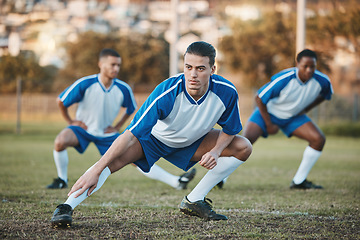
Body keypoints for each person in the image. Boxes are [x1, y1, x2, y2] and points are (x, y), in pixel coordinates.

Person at [50, 41, 252, 228]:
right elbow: (130, 135)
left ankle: (194, 200)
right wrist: (97, 168)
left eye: (200, 68)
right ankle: (67, 206)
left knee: (243, 147)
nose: (192, 75)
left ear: (212, 70)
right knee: (110, 163)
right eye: (188, 67)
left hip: (193, 142)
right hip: (153, 140)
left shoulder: (227, 92)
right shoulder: (167, 91)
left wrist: (216, 152)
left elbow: (231, 129)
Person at [46, 48, 197, 191]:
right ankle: (62, 180)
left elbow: (131, 109)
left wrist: (117, 126)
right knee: (60, 141)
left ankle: (176, 182)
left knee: (135, 158)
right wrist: (71, 122)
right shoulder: (85, 83)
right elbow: (61, 101)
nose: (116, 68)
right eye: (112, 65)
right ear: (101, 64)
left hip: (107, 133)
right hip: (82, 130)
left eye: (118, 65)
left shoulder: (123, 88)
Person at [242, 49, 333, 190]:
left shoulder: (322, 81)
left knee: (318, 139)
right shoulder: (285, 79)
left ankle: (299, 181)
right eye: (305, 66)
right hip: (268, 113)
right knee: (243, 143)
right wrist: (269, 124)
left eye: (312, 67)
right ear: (297, 64)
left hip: (293, 117)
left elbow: (326, 95)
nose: (309, 70)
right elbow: (259, 98)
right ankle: (220, 179)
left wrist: (306, 109)